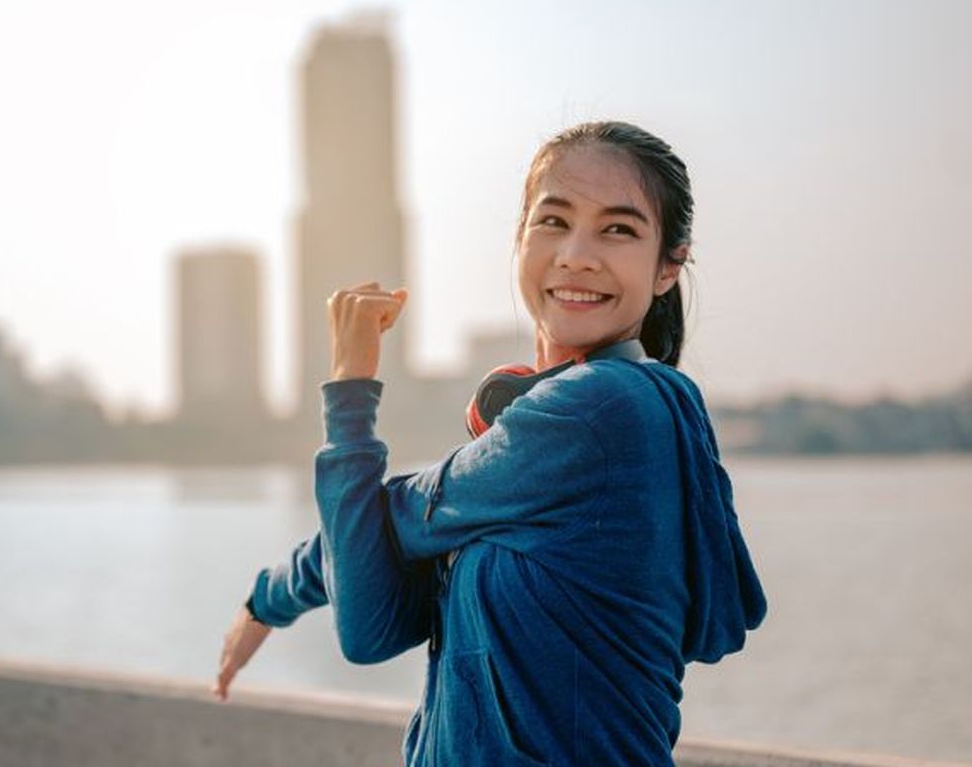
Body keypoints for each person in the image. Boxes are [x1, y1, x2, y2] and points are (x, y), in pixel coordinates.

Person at [214, 121, 767, 766]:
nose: (577, 255)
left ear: (670, 266)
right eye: (554, 222)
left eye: (618, 229)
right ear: (519, 239)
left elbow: (391, 515)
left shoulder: (606, 409)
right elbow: (370, 623)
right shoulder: (537, 430)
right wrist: (270, 598)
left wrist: (350, 385)